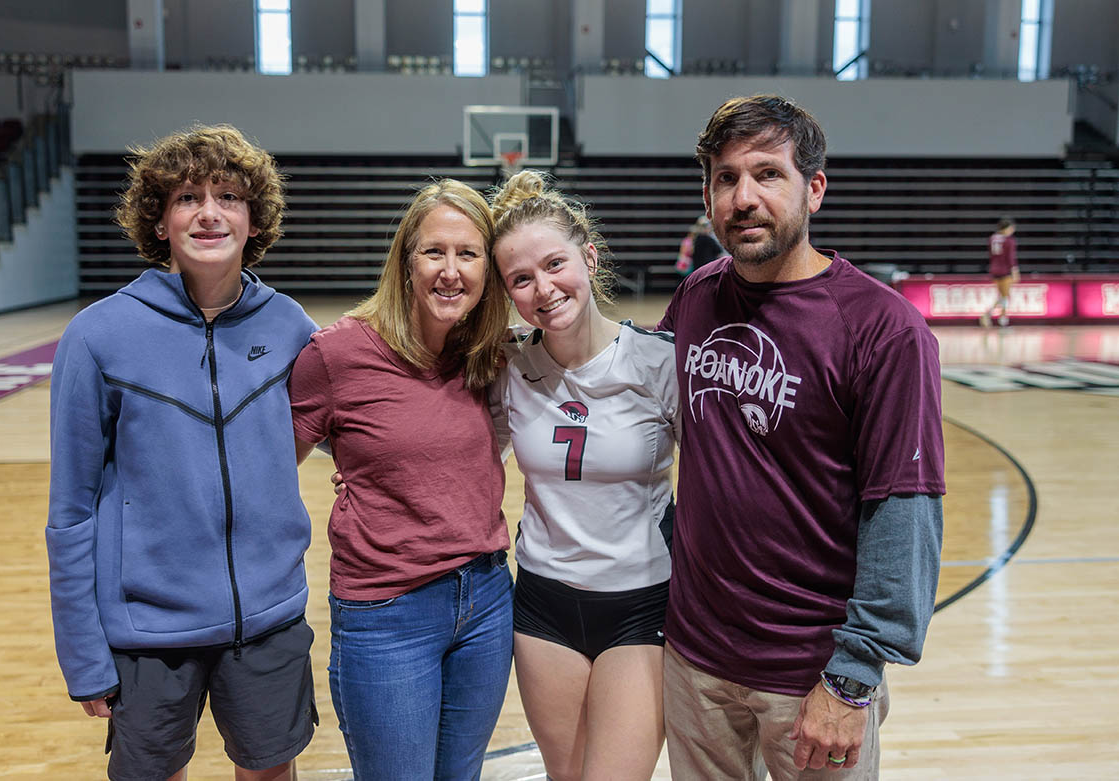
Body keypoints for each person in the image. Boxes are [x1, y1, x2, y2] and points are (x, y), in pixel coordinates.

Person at [657, 94, 945, 779]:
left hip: (811, 675)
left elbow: (904, 512)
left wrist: (853, 675)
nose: (743, 197)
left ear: (813, 188)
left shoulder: (886, 330)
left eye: (767, 174)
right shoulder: (697, 298)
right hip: (694, 658)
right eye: (725, 179)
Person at [46, 124, 318, 781]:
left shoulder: (290, 327)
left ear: (254, 219)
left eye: (228, 195)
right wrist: (83, 651)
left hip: (268, 618)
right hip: (148, 630)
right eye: (187, 197)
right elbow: (71, 510)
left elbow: (357, 429)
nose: (208, 212)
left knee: (268, 771)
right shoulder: (98, 335)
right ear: (159, 222)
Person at [289, 179, 514, 780]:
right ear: (404, 260)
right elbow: (267, 472)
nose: (450, 270)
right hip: (389, 614)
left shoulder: (487, 353)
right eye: (433, 252)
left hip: (487, 599)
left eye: (468, 254)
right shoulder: (336, 355)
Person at [487, 170, 678, 780]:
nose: (543, 289)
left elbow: (723, 482)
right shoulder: (508, 367)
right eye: (522, 279)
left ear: (588, 259)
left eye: (554, 264)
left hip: (641, 604)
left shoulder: (660, 362)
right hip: (542, 604)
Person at [981, 217, 1019, 327]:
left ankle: (998, 318)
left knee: (1002, 295)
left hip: (994, 269)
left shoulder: (992, 238)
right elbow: (1011, 258)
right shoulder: (1009, 240)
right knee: (1005, 296)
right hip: (1005, 270)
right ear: (1006, 228)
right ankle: (999, 318)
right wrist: (1015, 271)